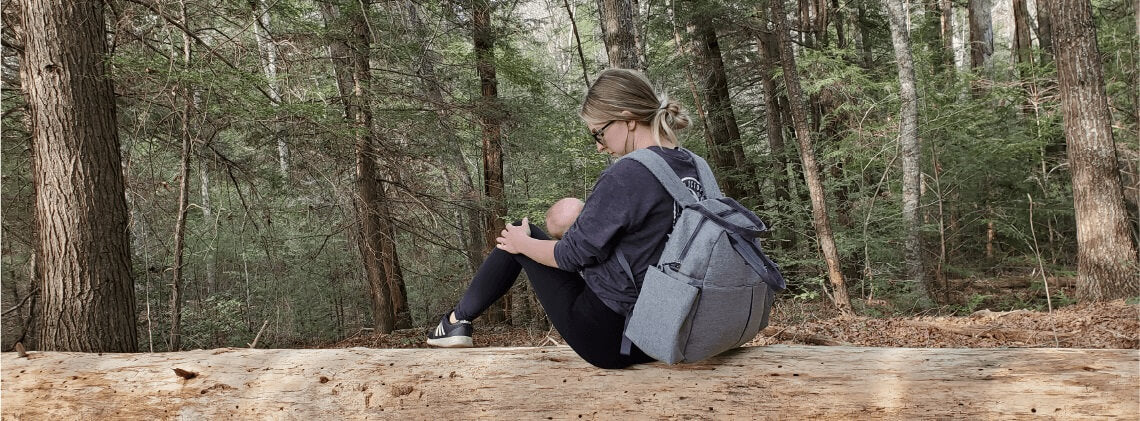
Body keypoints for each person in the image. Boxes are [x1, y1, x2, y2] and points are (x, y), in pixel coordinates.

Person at [426, 68, 706, 369]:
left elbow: (569, 256)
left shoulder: (628, 173)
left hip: (614, 338)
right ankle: (456, 321)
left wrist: (522, 242)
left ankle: (454, 322)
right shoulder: (696, 167)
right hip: (674, 330)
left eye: (598, 132)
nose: (599, 145)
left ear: (627, 118)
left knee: (521, 234)